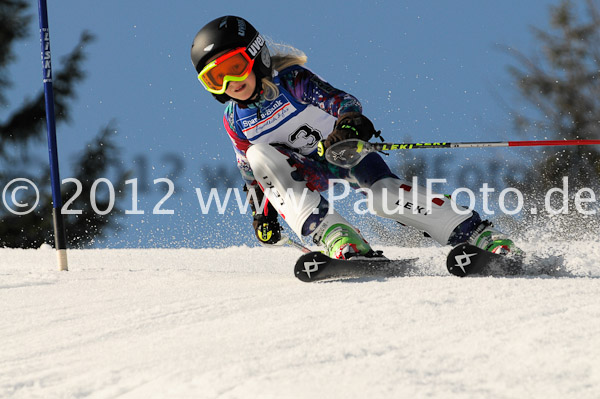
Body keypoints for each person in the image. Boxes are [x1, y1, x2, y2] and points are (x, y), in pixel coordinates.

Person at [190, 15, 518, 260]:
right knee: (258, 155)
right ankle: (338, 237)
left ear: (256, 55)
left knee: (384, 197)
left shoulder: (291, 81)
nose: (229, 83)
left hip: (344, 152)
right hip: (302, 170)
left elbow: (344, 102)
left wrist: (348, 126)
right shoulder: (236, 121)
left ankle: (476, 234)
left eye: (234, 66)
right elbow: (251, 174)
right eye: (215, 78)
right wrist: (262, 213)